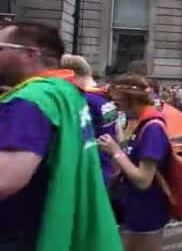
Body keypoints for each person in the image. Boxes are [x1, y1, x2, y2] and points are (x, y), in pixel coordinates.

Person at [0, 21, 121, 250]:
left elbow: (5, 180)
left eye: (0, 47)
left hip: (23, 231)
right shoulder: (66, 92)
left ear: (29, 54)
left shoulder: (30, 100)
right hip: (59, 211)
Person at [97, 74, 171, 251]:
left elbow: (143, 180)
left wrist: (115, 152)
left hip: (147, 210)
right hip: (135, 207)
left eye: (118, 103)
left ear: (130, 99)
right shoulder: (140, 123)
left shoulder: (152, 127)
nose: (118, 109)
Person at [60, 54, 120, 185]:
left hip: (91, 173)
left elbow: (80, 140)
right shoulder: (103, 95)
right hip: (107, 167)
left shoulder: (85, 100)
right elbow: (117, 131)